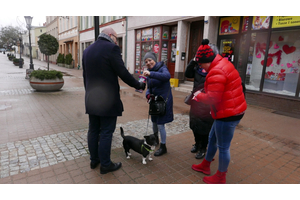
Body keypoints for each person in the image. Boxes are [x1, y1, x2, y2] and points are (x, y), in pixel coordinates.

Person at [82, 27, 146, 174]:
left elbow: (85, 77)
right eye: (116, 38)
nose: (116, 41)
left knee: (93, 130)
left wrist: (89, 94)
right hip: (107, 100)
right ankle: (105, 164)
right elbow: (122, 72)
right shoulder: (112, 48)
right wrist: (139, 85)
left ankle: (94, 160)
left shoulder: (87, 50)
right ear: (111, 35)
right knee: (106, 132)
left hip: (92, 98)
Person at [191, 39, 247, 184]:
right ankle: (205, 165)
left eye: (201, 64)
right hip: (226, 110)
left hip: (228, 113)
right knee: (212, 139)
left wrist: (198, 96)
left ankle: (221, 177)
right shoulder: (220, 63)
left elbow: (212, 98)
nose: (201, 68)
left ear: (207, 60)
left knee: (223, 147)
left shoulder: (217, 70)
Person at [142, 52, 174, 156]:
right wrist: (148, 95)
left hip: (163, 101)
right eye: (146, 61)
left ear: (155, 60)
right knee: (154, 122)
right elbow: (149, 88)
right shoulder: (148, 72)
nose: (148, 63)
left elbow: (166, 76)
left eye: (150, 60)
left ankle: (163, 146)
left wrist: (151, 74)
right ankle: (156, 140)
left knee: (160, 124)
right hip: (154, 101)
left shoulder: (162, 67)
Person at [185, 55, 214, 159]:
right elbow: (187, 74)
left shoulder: (213, 71)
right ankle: (197, 144)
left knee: (204, 128)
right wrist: (192, 61)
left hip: (206, 103)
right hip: (195, 101)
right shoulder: (197, 69)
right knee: (194, 125)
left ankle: (203, 148)